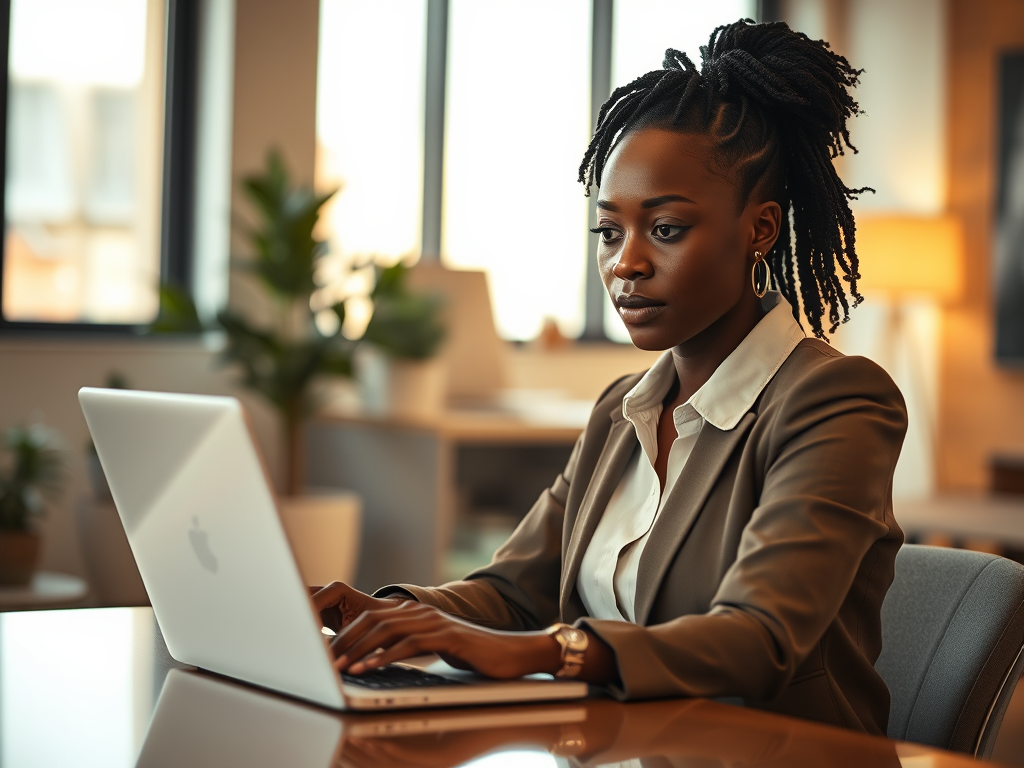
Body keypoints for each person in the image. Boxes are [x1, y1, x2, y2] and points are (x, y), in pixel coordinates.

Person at [313, 18, 907, 736]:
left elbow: (758, 638)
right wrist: (388, 612)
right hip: (623, 751)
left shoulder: (836, 402)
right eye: (609, 231)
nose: (625, 263)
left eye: (665, 229)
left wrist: (537, 653)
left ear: (760, 229)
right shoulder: (621, 410)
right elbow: (514, 591)